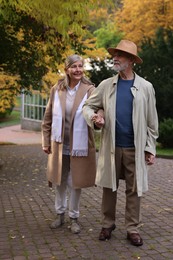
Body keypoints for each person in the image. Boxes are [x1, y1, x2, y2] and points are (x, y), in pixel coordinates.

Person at [83, 40, 159, 246]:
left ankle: (132, 229)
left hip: (135, 147)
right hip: (112, 147)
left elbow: (152, 123)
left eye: (121, 55)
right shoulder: (106, 85)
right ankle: (107, 224)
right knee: (109, 187)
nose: (115, 58)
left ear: (132, 60)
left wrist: (150, 148)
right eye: (114, 54)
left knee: (134, 190)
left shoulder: (145, 87)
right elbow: (88, 107)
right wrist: (94, 119)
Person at [42, 54, 100, 234]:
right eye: (74, 67)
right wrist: (45, 141)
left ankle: (74, 217)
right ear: (66, 69)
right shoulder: (56, 89)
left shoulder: (90, 90)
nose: (78, 70)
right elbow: (48, 118)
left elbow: (98, 109)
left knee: (75, 183)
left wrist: (98, 118)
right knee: (59, 182)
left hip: (79, 146)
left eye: (80, 66)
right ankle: (60, 215)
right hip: (59, 144)